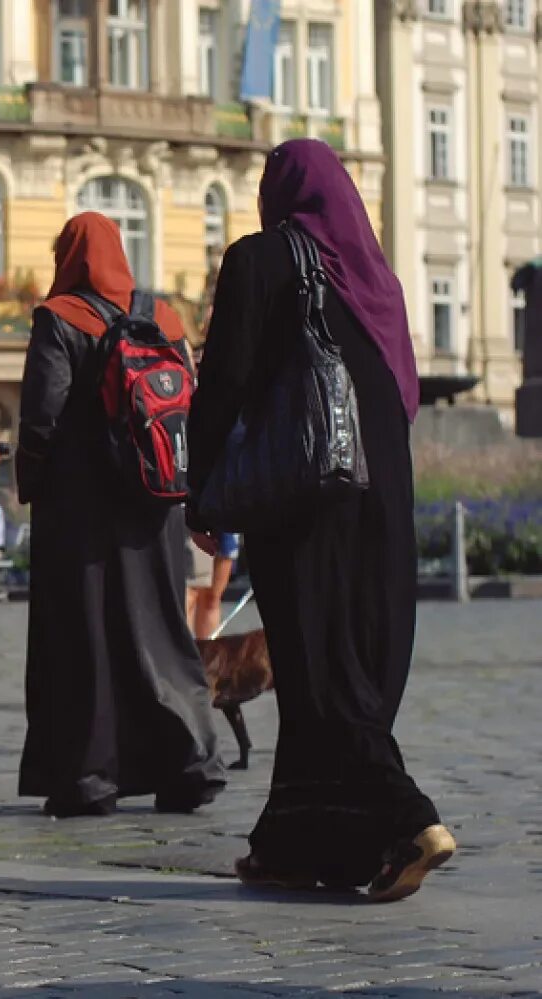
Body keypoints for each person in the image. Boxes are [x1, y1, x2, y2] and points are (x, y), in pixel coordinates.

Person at [189, 139, 453, 901]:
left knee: (320, 670)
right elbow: (400, 398)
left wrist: (203, 492)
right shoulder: (379, 281)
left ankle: (411, 816)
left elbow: (224, 385)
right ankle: (298, 845)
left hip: (305, 500)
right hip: (382, 509)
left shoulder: (260, 261)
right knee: (335, 674)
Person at [15, 212, 225, 818]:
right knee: (161, 627)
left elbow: (41, 417)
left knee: (86, 636)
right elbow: (189, 398)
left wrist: (32, 481)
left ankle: (89, 777)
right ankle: (189, 764)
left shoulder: (61, 318)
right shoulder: (164, 317)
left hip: (82, 510)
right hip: (156, 501)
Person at [185, 530, 241, 640]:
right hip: (194, 523)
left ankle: (208, 652)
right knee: (189, 596)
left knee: (212, 599)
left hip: (226, 526)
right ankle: (182, 652)